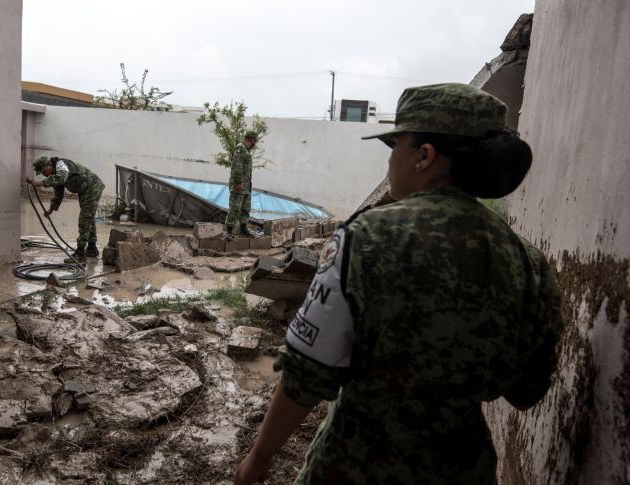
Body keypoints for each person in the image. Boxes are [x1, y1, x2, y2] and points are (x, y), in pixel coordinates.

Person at [234, 83, 564, 484]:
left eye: (395, 146)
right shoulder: (526, 262)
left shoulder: (367, 238)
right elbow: (528, 391)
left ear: (424, 157)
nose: (390, 160)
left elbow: (306, 375)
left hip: (354, 466)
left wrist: (258, 460)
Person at [27, 155, 105, 263]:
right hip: (85, 189)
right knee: (88, 218)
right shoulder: (56, 173)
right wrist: (51, 209)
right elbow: (58, 193)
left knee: (85, 219)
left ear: (49, 165)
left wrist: (39, 184)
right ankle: (92, 248)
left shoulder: (60, 165)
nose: (44, 174)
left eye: (44, 171)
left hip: (92, 187)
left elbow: (62, 177)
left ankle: (81, 253)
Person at [225, 131, 259, 240]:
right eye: (254, 141)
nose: (254, 144)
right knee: (235, 208)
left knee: (245, 209)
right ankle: (229, 231)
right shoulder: (240, 148)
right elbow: (237, 166)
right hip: (239, 186)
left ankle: (243, 229)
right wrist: (238, 182)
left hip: (246, 187)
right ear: (252, 140)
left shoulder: (246, 151)